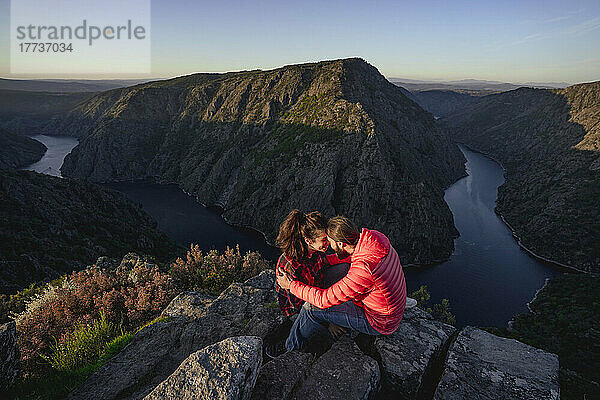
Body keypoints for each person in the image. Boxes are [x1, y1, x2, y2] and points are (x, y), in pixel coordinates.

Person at [271, 215, 416, 356]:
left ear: (341, 244)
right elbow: (349, 256)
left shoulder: (363, 269)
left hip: (380, 321)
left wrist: (291, 285)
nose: (328, 245)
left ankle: (290, 349)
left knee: (310, 308)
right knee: (344, 269)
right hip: (391, 303)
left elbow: (323, 300)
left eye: (330, 240)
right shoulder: (375, 237)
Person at [273, 209, 350, 320]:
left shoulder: (315, 252)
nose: (328, 242)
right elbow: (299, 305)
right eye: (324, 239)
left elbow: (326, 261)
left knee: (344, 268)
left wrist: (351, 256)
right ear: (308, 240)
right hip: (300, 309)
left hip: (316, 292)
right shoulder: (290, 265)